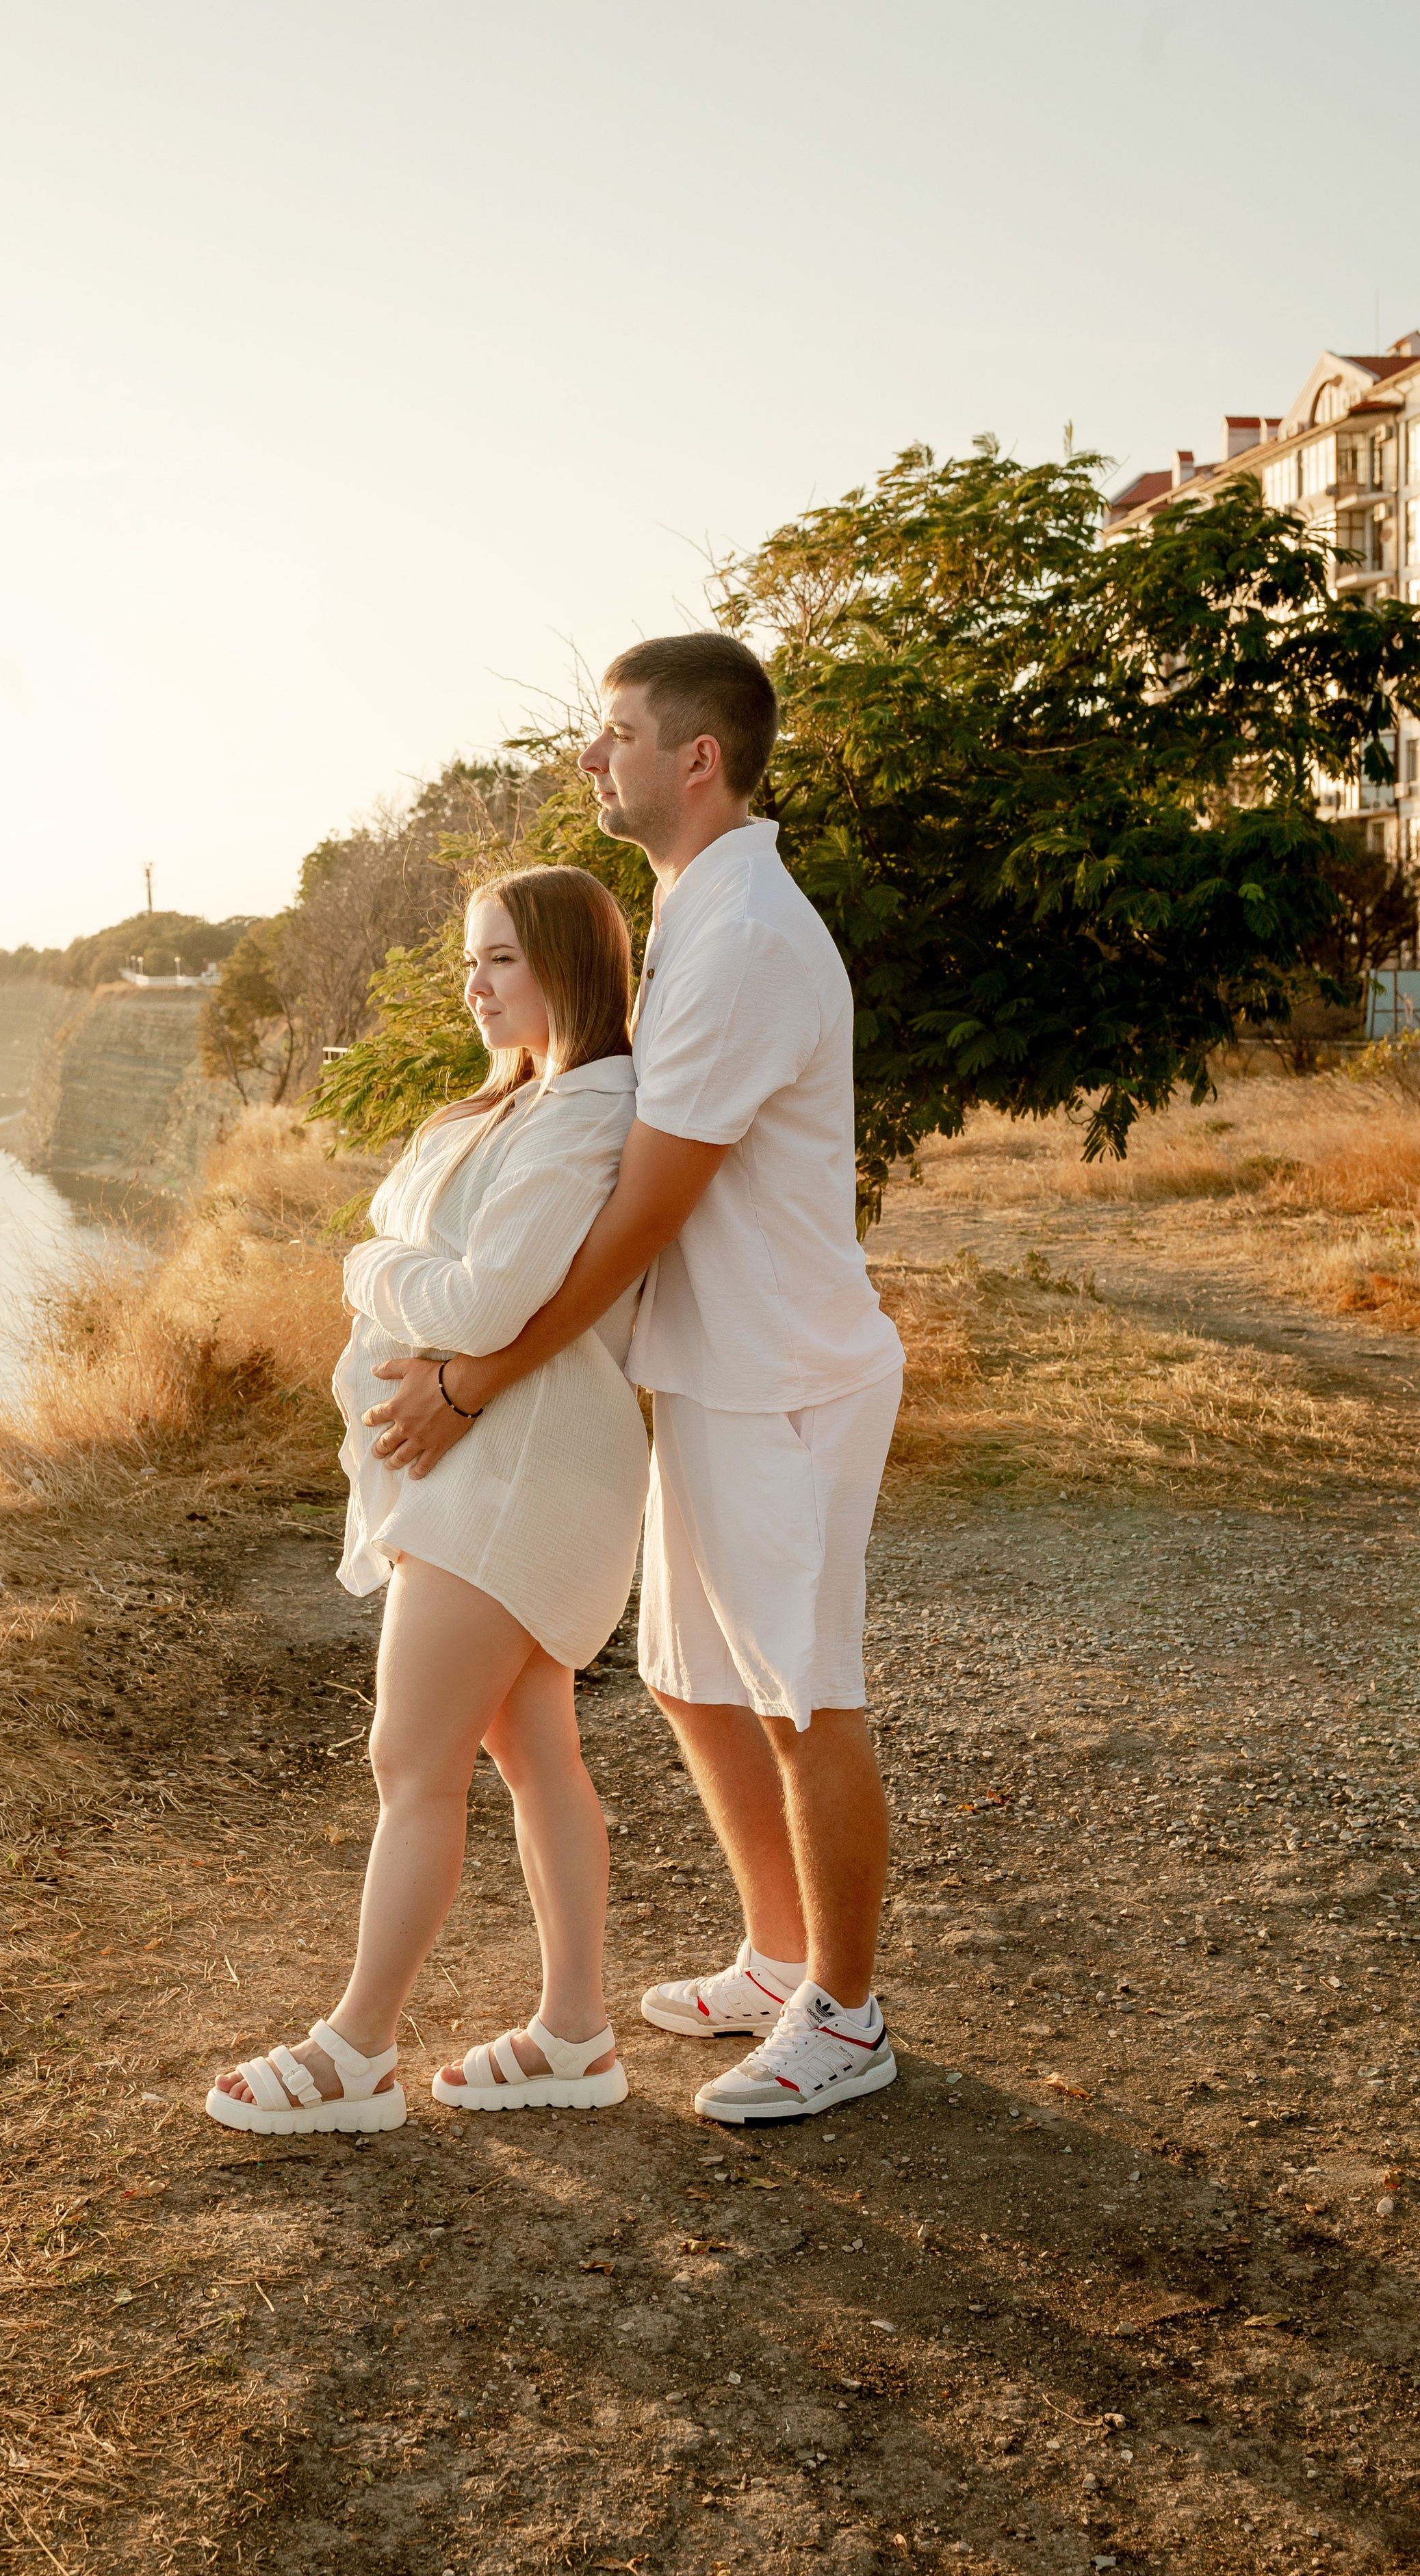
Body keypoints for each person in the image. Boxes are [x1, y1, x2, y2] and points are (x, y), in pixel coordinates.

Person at [365, 634, 905, 2127]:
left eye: (613, 735)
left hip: (781, 1373)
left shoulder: (737, 938)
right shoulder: (694, 907)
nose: (588, 759)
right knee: (686, 1677)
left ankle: (844, 2018)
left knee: (804, 1697)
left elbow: (641, 1216)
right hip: (713, 1369)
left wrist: (474, 1380)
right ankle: (776, 1951)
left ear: (696, 759)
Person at [206, 866, 650, 2135]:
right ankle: (575, 2036)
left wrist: (364, 1260)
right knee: (532, 1749)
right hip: (486, 1460)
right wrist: (415, 1275)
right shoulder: (509, 1106)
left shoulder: (587, 1109)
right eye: (471, 960)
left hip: (518, 1468)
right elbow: (452, 1281)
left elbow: (482, 1302)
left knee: (414, 1758)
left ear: (569, 966)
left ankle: (357, 2050)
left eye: (501, 959)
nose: (474, 985)